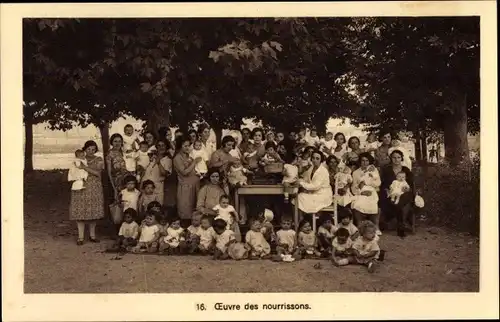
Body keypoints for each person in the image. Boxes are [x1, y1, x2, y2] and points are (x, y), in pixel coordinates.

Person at [69, 140, 105, 245]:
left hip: (94, 187)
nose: (91, 151)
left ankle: (92, 235)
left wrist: (84, 167)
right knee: (80, 211)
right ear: (85, 149)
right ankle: (80, 237)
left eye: (93, 149)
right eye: (89, 149)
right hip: (81, 186)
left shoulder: (98, 159)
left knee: (93, 211)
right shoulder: (79, 159)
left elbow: (98, 173)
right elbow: (73, 171)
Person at [380, 149, 415, 237]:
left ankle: (400, 225)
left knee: (402, 199)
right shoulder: (387, 169)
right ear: (391, 158)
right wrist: (387, 190)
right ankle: (401, 225)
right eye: (394, 157)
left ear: (401, 158)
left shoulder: (405, 169)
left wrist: (407, 189)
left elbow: (411, 183)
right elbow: (383, 183)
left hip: (405, 192)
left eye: (398, 157)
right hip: (391, 193)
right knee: (398, 202)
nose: (396, 159)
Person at [350, 153, 382, 235]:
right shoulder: (356, 173)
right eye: (362, 161)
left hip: (372, 191)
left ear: (369, 161)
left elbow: (378, 183)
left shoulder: (373, 170)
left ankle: (376, 226)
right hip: (360, 192)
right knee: (357, 203)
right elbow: (353, 187)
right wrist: (361, 191)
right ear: (360, 162)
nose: (365, 163)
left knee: (373, 203)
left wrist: (367, 183)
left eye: (367, 161)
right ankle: (359, 225)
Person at [294, 150, 333, 216]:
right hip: (315, 194)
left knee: (299, 197)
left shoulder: (323, 171)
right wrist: (299, 180)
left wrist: (301, 183)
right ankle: (300, 220)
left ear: (321, 160)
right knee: (296, 199)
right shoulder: (312, 168)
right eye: (313, 158)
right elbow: (305, 179)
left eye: (317, 158)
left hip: (323, 196)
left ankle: (301, 220)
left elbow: (315, 186)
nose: (314, 160)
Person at [173, 136, 202, 224]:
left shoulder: (189, 155)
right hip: (186, 188)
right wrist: (194, 162)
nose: (187, 148)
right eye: (185, 146)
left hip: (195, 186)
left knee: (196, 212)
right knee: (186, 212)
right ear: (179, 146)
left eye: (189, 146)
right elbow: (184, 172)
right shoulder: (177, 158)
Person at [106, 133, 128, 200]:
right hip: (117, 184)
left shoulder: (123, 152)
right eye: (115, 141)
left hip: (127, 182)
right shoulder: (110, 154)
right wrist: (114, 189)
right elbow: (109, 173)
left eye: (119, 141)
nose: (117, 143)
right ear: (111, 142)